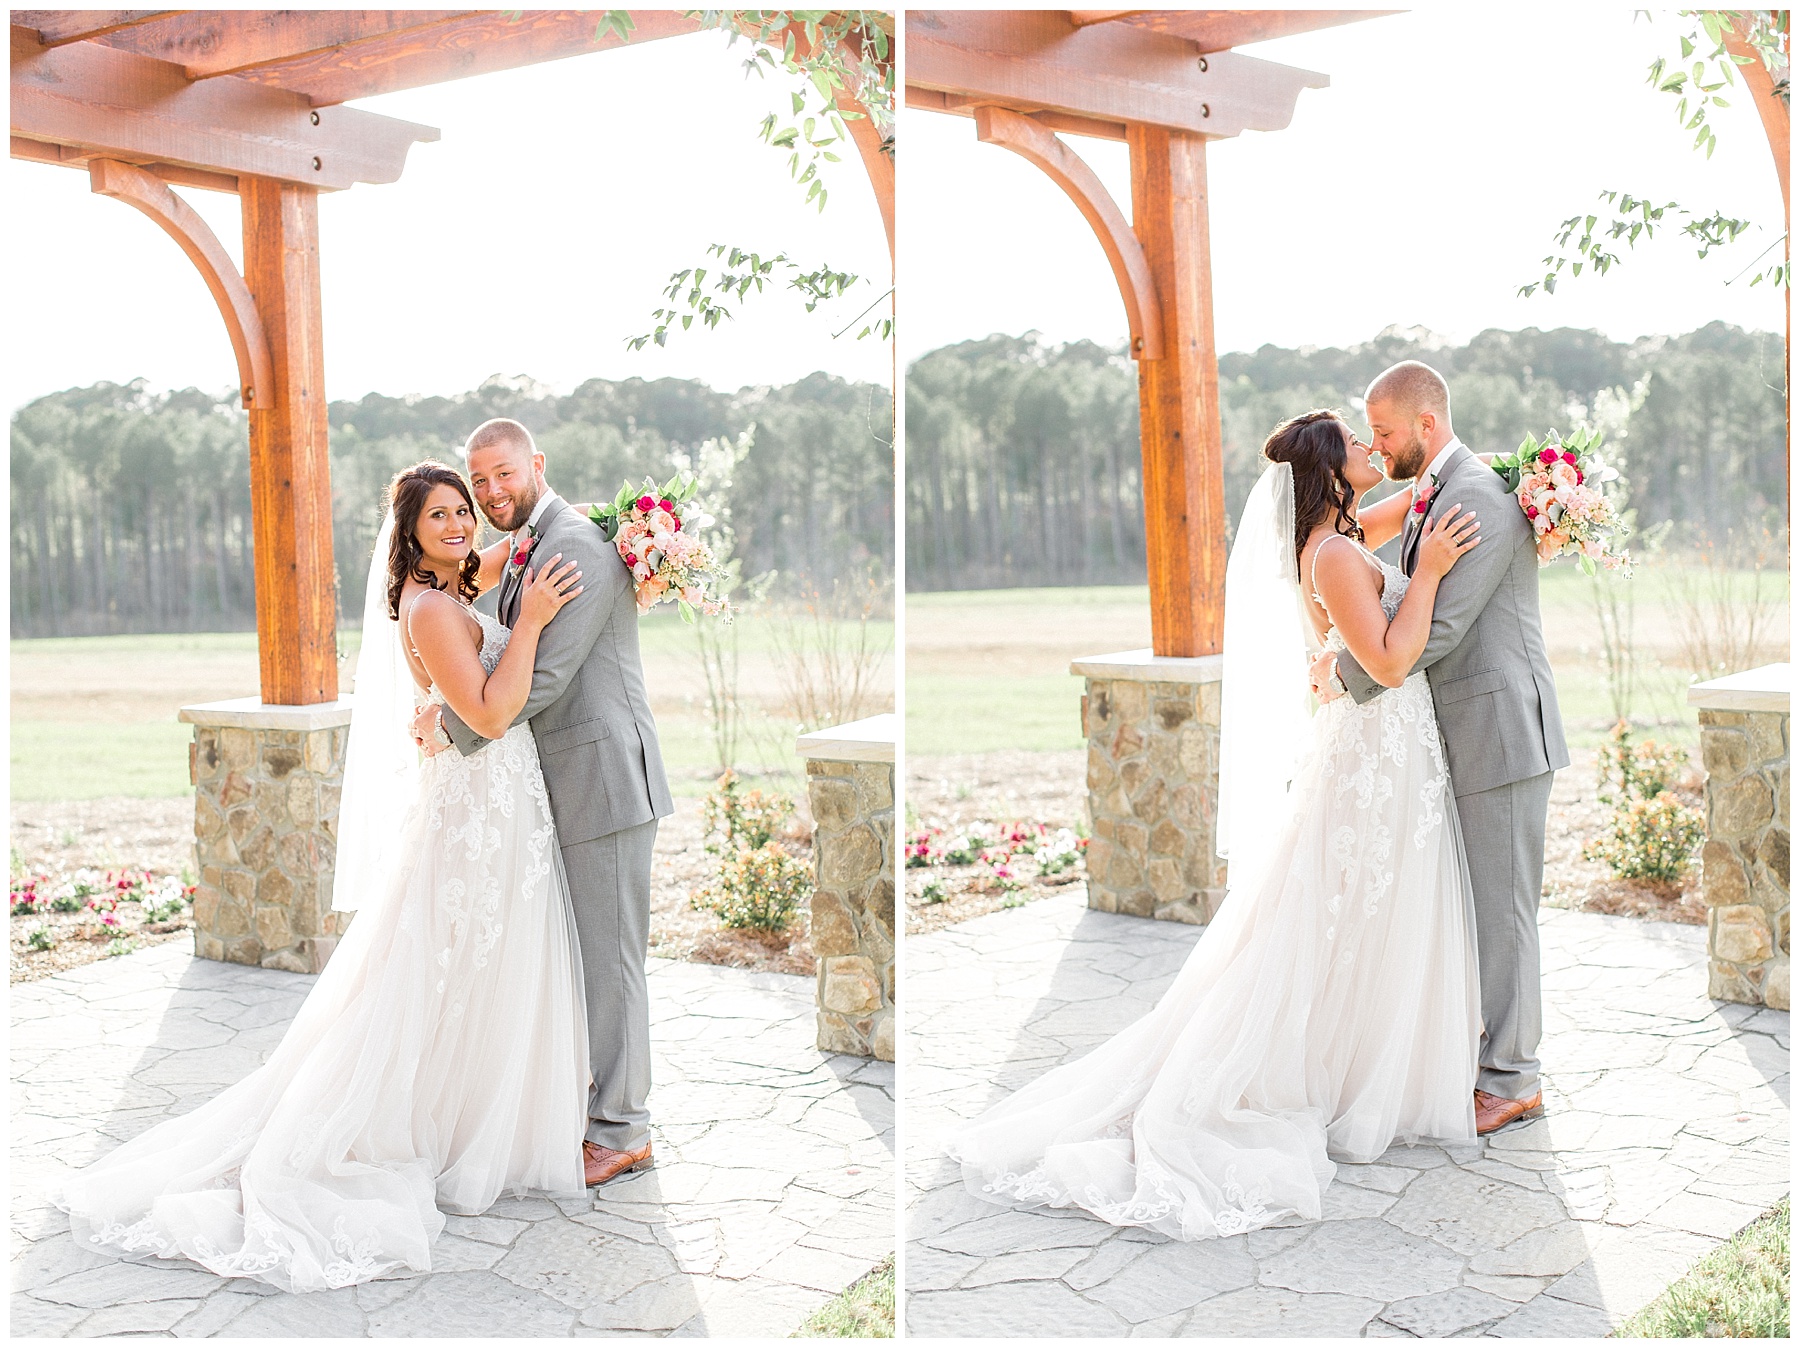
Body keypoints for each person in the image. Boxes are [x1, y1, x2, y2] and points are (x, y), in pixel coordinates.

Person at [947, 406, 1488, 1240]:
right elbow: (1386, 661)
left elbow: (1402, 508)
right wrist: (1430, 574)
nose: (1369, 447)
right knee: (1344, 914)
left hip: (1382, 749)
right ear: (1329, 470)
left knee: (1362, 914)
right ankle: (1303, 1076)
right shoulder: (1334, 554)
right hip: (1374, 750)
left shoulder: (1338, 537)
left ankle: (1363, 1065)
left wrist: (1481, 479)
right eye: (1356, 442)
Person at [57, 461, 590, 1291]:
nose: (459, 524)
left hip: (494, 804)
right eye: (439, 515)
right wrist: (531, 625)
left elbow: (514, 544)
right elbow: (487, 713)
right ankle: (406, 1127)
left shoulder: (452, 584)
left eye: (463, 510)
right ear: (408, 532)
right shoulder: (431, 608)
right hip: (476, 807)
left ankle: (473, 1120)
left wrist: (609, 529)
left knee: (476, 968)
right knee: (449, 969)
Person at [410, 418, 675, 1187]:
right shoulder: (534, 542)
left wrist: (453, 726)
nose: (491, 492)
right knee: (584, 959)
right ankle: (588, 1107)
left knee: (611, 963)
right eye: (478, 480)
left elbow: (547, 677)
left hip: (604, 781)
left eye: (503, 474)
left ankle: (622, 1132)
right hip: (563, 785)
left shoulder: (575, 548)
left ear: (537, 464)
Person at [1312, 360, 1569, 1136]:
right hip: (1462, 733)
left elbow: (1443, 627)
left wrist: (1345, 674)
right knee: (1479, 907)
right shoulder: (1438, 489)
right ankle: (1483, 1055)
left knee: (1504, 912)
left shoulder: (1475, 496)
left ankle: (1514, 1079)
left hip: (1500, 731)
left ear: (1425, 424)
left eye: (1384, 432)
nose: (1378, 446)